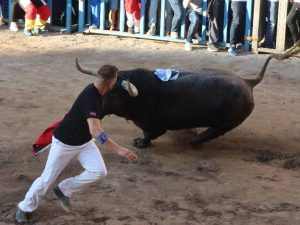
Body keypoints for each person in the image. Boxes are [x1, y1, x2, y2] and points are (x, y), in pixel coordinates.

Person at [15, 61, 138, 223]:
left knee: (98, 171)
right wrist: (118, 149)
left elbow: (108, 80)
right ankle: (24, 207)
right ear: (109, 84)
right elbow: (95, 130)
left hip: (84, 142)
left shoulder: (99, 85)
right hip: (65, 142)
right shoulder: (91, 99)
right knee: (47, 179)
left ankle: (64, 189)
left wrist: (121, 84)